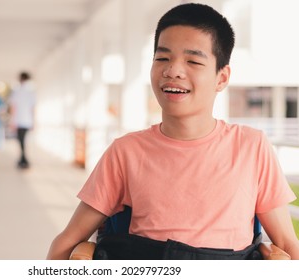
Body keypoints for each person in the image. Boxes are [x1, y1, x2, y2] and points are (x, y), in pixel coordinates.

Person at [47, 3, 299, 260]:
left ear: (221, 78)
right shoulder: (125, 152)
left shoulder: (252, 147)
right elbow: (69, 240)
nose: (173, 71)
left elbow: (287, 243)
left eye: (192, 61)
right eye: (162, 58)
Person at [9, 71, 36, 169]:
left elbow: (13, 107)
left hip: (19, 120)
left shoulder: (17, 92)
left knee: (21, 140)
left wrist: (12, 120)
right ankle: (23, 159)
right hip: (27, 120)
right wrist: (33, 122)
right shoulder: (31, 92)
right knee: (23, 140)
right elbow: (33, 109)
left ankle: (23, 159)